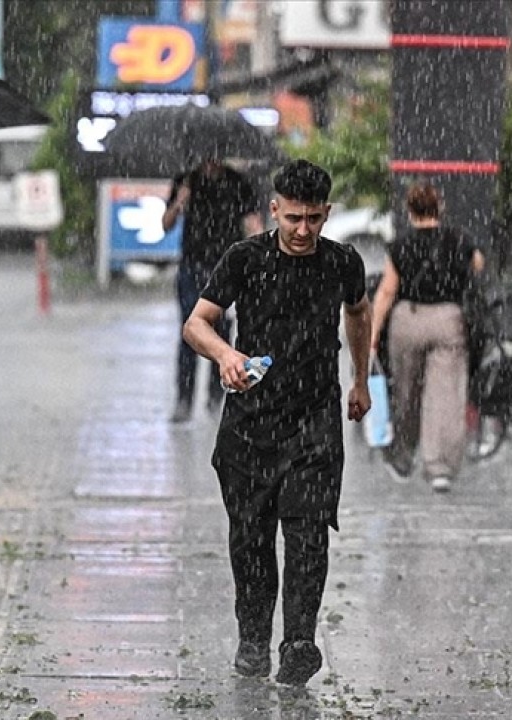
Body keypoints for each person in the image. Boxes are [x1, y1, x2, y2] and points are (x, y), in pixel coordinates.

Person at [183, 159, 372, 686]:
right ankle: (252, 637)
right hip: (251, 420)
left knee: (309, 534)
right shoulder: (245, 259)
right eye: (293, 218)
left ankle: (299, 642)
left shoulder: (342, 263)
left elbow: (358, 312)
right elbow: (197, 323)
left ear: (327, 213)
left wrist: (361, 377)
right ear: (274, 210)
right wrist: (225, 356)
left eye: (314, 218)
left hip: (315, 417)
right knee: (251, 539)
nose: (303, 230)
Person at [369, 181, 485, 493]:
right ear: (440, 207)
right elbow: (477, 266)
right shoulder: (459, 239)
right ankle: (439, 467)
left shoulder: (401, 244)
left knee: (406, 393)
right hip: (448, 319)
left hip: (408, 319)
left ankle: (404, 454)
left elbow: (387, 292)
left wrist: (371, 335)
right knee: (445, 395)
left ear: (410, 211)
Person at [163, 156, 264, 423]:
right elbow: (166, 224)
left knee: (221, 334)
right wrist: (180, 201)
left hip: (227, 267)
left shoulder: (237, 182)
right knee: (190, 331)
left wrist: (261, 250)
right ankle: (184, 398)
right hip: (192, 265)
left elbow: (252, 220)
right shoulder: (186, 180)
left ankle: (216, 398)